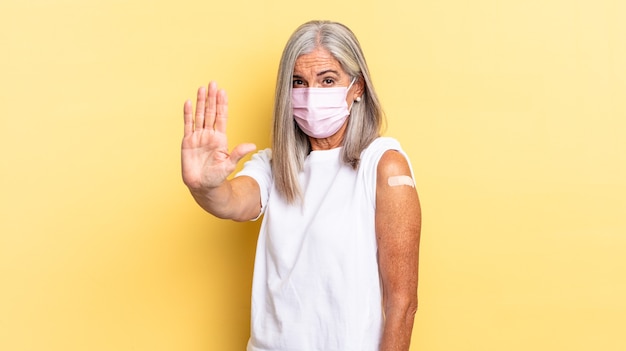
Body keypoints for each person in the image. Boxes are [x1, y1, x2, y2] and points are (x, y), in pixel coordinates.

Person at [181, 20, 421, 351]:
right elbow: (232, 201)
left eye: (328, 80)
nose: (311, 94)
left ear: (357, 88)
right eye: (299, 82)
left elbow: (402, 304)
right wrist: (203, 186)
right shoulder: (273, 165)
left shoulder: (383, 165)